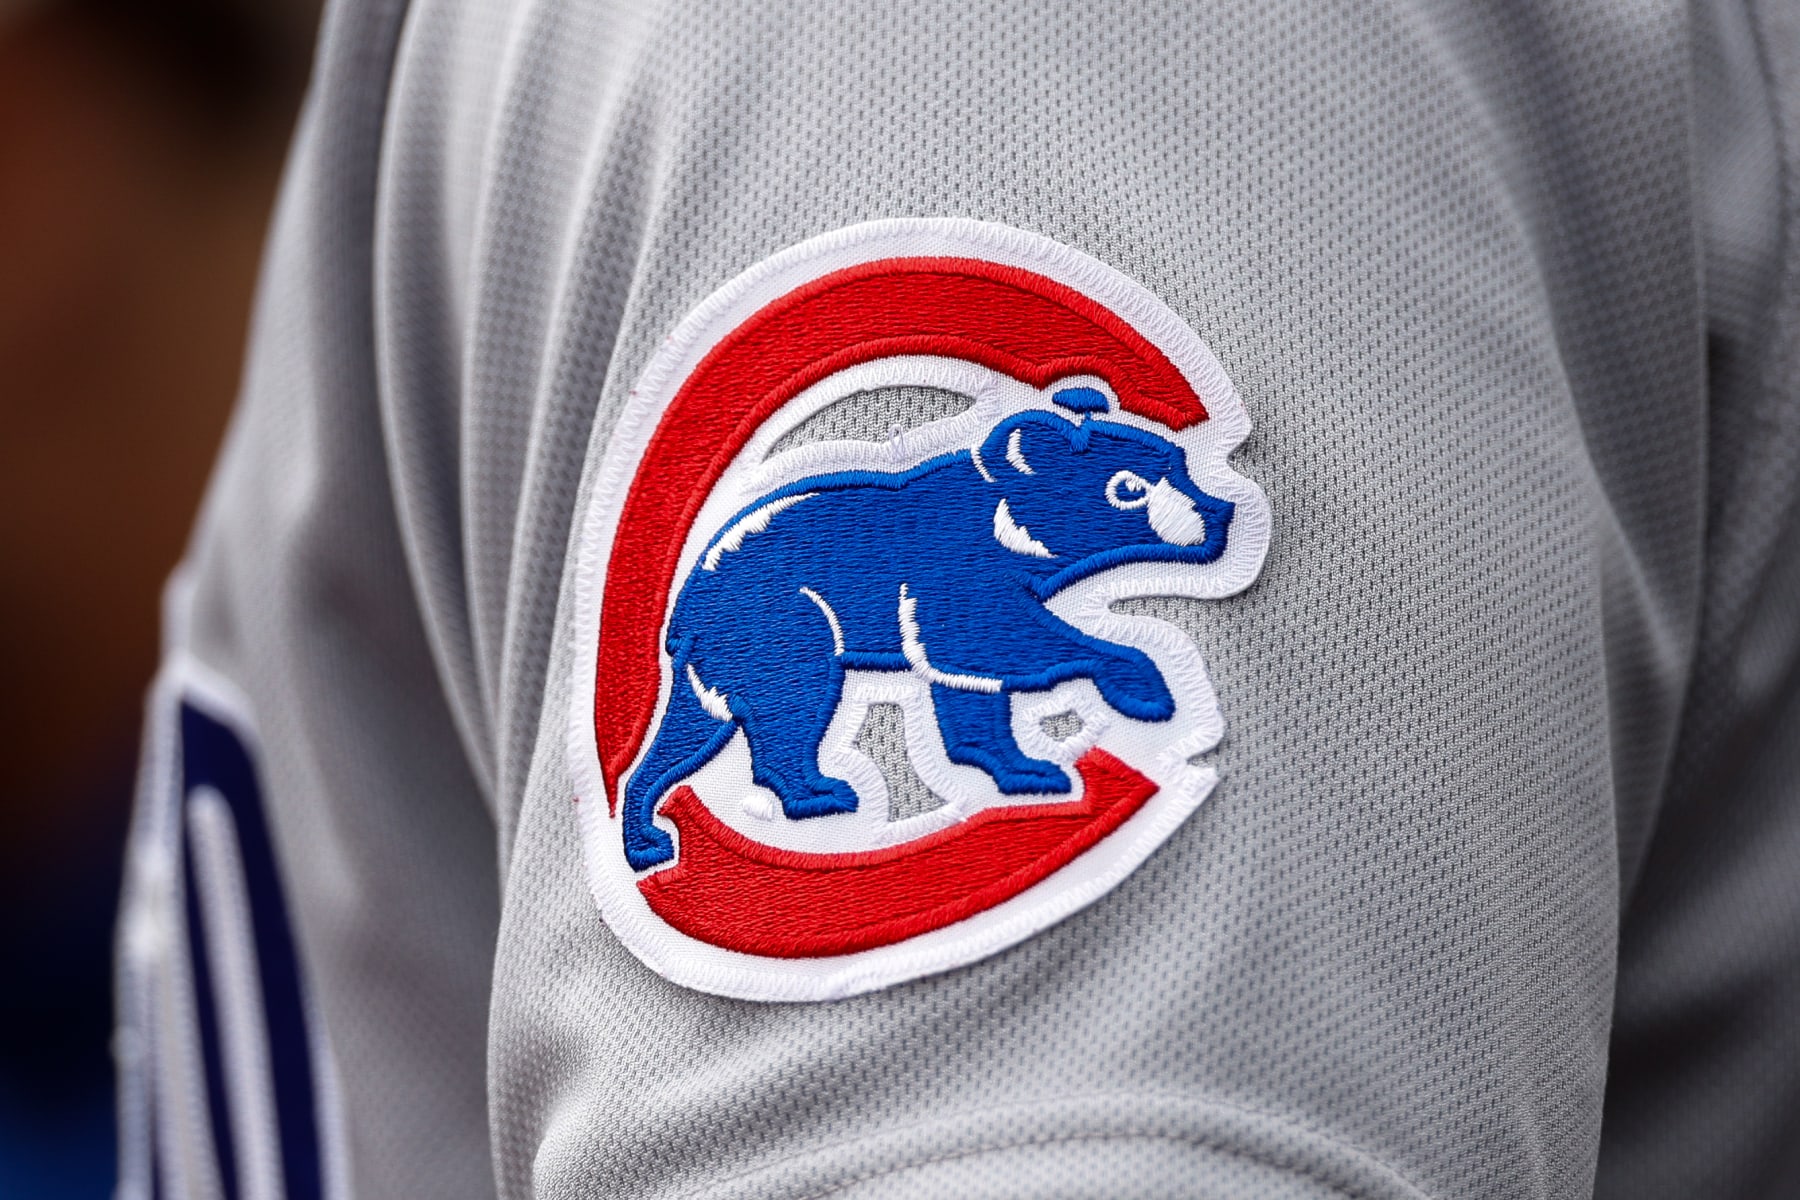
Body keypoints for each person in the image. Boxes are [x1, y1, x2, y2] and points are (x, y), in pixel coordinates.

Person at [115, 0, 1800, 1196]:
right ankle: (745, 789)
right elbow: (973, 664)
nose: (1181, 522)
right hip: (789, 616)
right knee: (768, 736)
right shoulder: (944, 62)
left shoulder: (1037, 76)